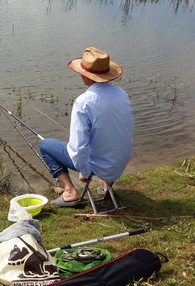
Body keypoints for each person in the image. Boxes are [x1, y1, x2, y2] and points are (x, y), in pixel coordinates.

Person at [39, 47, 134, 206]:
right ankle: (106, 183)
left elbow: (78, 147)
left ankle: (69, 191)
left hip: (101, 166)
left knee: (45, 146)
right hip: (119, 163)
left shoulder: (83, 102)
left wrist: (84, 172)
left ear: (85, 76)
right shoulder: (122, 94)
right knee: (105, 138)